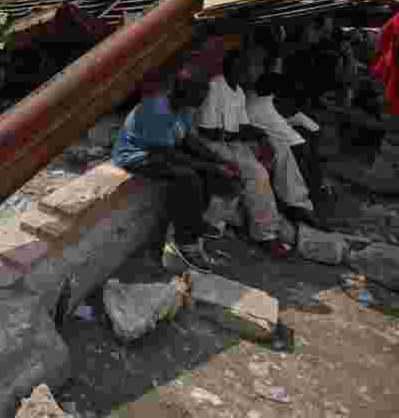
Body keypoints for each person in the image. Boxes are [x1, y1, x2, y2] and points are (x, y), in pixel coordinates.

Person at [111, 71, 238, 268]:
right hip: (136, 156)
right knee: (188, 177)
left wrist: (218, 159)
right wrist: (213, 166)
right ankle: (185, 241)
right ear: (184, 92)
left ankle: (194, 222)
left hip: (160, 152)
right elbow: (168, 155)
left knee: (207, 171)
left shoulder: (181, 108)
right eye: (200, 94)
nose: (203, 99)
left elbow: (188, 140)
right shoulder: (156, 110)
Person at [196, 51, 290, 257]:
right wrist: (242, 136)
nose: (247, 72)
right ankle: (265, 235)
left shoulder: (238, 92)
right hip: (210, 145)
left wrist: (263, 136)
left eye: (247, 68)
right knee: (256, 173)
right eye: (242, 67)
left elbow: (243, 127)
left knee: (270, 158)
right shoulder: (216, 86)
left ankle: (254, 218)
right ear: (229, 67)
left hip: (230, 142)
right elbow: (208, 132)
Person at [244, 74, 323, 223]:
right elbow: (300, 147)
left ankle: (300, 199)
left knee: (304, 139)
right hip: (253, 146)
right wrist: (312, 180)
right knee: (287, 154)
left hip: (266, 135)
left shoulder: (266, 101)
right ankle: (298, 204)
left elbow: (313, 130)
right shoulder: (265, 109)